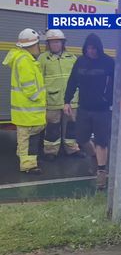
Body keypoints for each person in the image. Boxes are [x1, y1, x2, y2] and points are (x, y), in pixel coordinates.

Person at [64, 33, 114, 189]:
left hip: (102, 109)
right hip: (84, 107)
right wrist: (67, 101)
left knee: (101, 141)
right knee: (81, 139)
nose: (91, 51)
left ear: (99, 48)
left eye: (94, 48)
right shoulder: (80, 62)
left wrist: (112, 100)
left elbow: (116, 84)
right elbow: (72, 81)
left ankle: (101, 172)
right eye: (88, 48)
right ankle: (94, 156)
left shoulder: (108, 62)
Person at [2, 28, 46, 174]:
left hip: (26, 110)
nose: (39, 48)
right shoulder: (25, 60)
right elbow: (29, 88)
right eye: (37, 45)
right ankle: (28, 166)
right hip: (29, 109)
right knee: (28, 140)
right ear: (32, 45)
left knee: (25, 139)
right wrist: (40, 97)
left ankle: (27, 161)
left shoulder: (22, 58)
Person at [38, 29, 85, 161]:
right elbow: (38, 79)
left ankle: (72, 149)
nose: (55, 45)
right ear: (48, 44)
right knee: (52, 127)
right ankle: (51, 151)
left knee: (71, 126)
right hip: (52, 100)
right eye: (52, 42)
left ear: (63, 43)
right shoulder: (43, 59)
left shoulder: (71, 58)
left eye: (57, 42)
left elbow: (78, 79)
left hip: (71, 100)